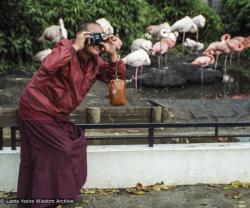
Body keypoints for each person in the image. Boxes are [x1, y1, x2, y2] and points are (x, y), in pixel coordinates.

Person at [17, 21, 126, 208]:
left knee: (77, 144)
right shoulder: (65, 48)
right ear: (82, 36)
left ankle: (52, 199)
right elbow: (47, 66)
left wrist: (112, 53)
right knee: (62, 149)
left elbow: (116, 85)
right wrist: (75, 46)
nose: (99, 42)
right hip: (36, 109)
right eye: (95, 37)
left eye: (102, 37)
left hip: (57, 117)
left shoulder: (95, 62)